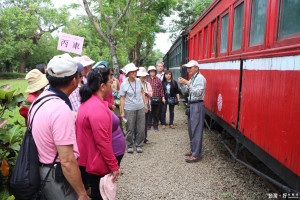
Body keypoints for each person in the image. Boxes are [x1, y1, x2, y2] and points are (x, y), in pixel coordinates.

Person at [29, 53, 89, 200]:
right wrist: (82, 193)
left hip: (42, 171)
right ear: (74, 80)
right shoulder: (60, 109)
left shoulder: (39, 101)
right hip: (57, 177)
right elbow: (67, 161)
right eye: (79, 75)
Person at [77, 67, 120, 199]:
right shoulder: (97, 108)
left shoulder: (89, 102)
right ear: (102, 86)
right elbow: (102, 141)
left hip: (89, 159)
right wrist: (114, 165)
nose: (112, 85)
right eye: (110, 83)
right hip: (96, 162)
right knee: (99, 194)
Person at [178, 60, 206, 163]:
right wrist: (182, 84)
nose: (188, 69)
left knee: (196, 129)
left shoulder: (200, 78)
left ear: (196, 68)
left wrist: (188, 84)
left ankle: (197, 154)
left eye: (190, 67)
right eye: (187, 67)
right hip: (192, 105)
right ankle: (193, 150)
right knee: (191, 129)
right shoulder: (193, 78)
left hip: (197, 104)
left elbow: (198, 93)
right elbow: (186, 91)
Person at [120, 63, 148, 153]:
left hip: (140, 107)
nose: (134, 73)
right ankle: (130, 145)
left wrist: (145, 104)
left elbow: (142, 92)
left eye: (135, 71)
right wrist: (122, 111)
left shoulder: (139, 81)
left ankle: (139, 144)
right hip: (129, 108)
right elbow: (122, 98)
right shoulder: (124, 84)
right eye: (132, 72)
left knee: (141, 127)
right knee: (130, 128)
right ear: (127, 73)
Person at [146, 66, 165, 131]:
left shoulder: (158, 80)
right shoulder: (147, 80)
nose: (152, 72)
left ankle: (155, 125)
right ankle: (149, 125)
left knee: (157, 113)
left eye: (153, 71)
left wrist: (163, 97)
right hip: (149, 99)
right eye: (151, 71)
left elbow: (161, 89)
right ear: (149, 72)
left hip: (157, 98)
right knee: (149, 113)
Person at [137, 67, 153, 144]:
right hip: (137, 105)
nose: (143, 77)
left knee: (145, 122)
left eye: (144, 76)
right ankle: (138, 138)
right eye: (142, 76)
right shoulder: (136, 84)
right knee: (138, 123)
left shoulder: (147, 84)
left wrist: (146, 93)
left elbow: (151, 93)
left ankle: (144, 138)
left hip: (146, 104)